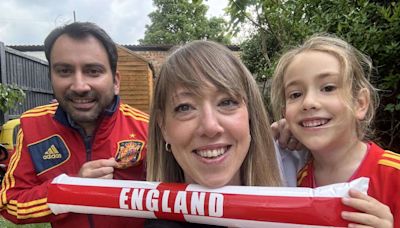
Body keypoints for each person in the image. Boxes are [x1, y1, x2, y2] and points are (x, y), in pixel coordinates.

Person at [0, 22, 149, 227]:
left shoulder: (147, 129)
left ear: (115, 82)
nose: (79, 86)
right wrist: (71, 190)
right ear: (51, 78)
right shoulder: (33, 126)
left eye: (93, 71)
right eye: (64, 71)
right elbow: (9, 202)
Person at [145, 40, 283, 227]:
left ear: (251, 114)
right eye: (185, 107)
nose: (210, 127)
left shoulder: (296, 210)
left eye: (226, 102)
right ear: (163, 128)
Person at [270, 34, 398, 228]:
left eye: (328, 88)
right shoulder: (295, 180)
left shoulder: (394, 175)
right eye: (295, 94)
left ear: (360, 103)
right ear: (285, 114)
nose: (309, 102)